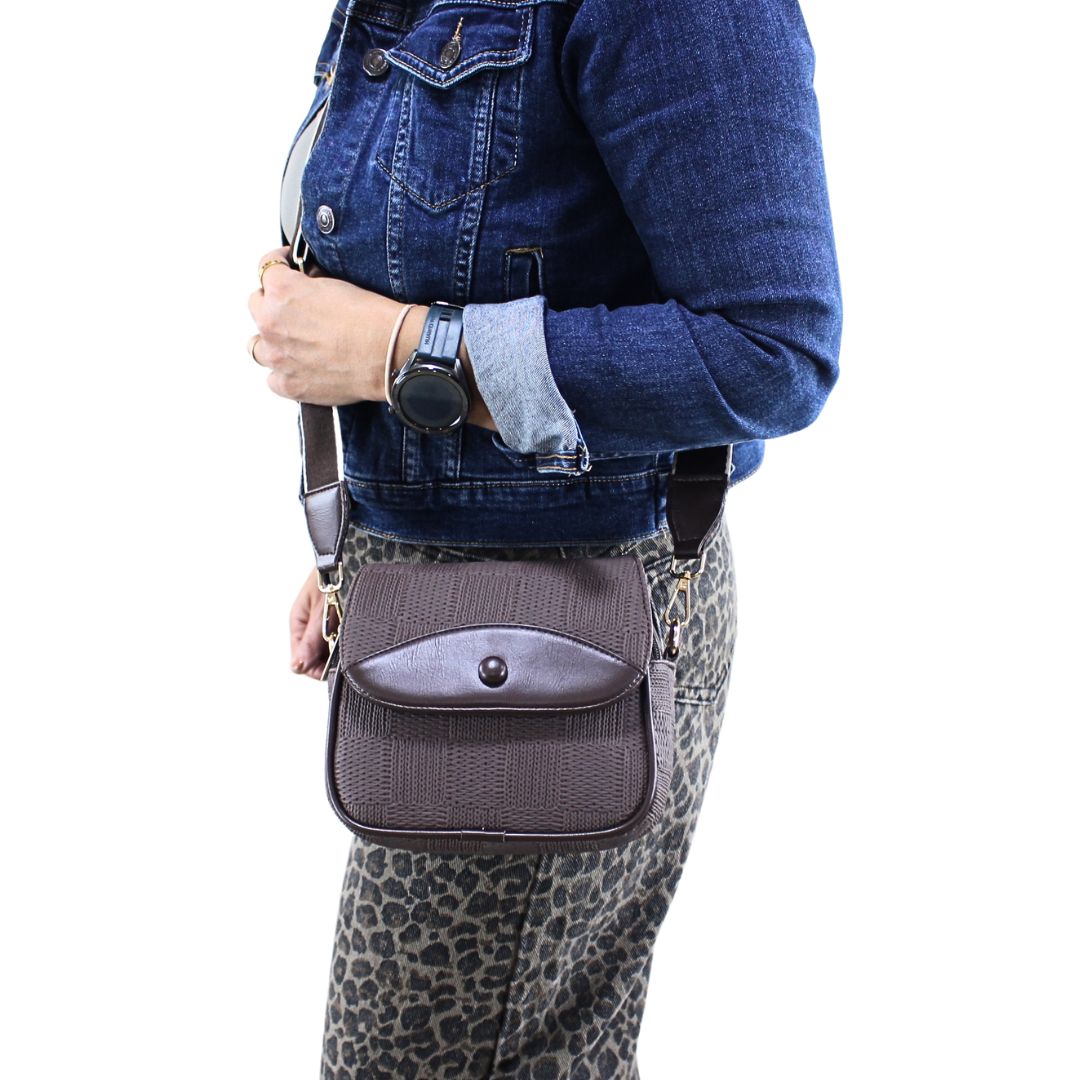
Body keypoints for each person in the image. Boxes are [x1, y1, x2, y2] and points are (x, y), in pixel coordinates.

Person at [247, 0, 841, 1075]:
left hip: (575, 624)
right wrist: (376, 527)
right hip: (440, 597)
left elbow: (772, 349)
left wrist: (404, 353)